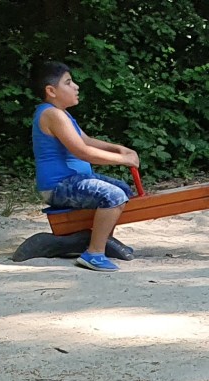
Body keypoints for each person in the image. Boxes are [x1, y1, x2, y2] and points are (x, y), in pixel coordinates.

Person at [29, 62, 140, 272]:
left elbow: (86, 140)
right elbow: (83, 151)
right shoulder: (52, 115)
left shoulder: (61, 113)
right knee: (114, 196)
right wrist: (122, 159)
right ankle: (94, 253)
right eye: (68, 82)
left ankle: (102, 240)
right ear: (51, 91)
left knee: (123, 190)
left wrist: (119, 149)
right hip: (59, 186)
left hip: (73, 181)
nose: (76, 86)